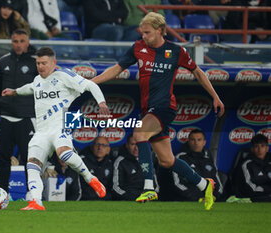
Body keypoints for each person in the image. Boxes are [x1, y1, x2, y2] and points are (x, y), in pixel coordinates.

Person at [92, 12, 225, 210]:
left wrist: (215, 96)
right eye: (142, 32)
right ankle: (204, 184)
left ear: (160, 30)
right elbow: (117, 68)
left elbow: (198, 71)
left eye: (147, 32)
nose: (143, 36)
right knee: (167, 161)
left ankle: (149, 187)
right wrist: (90, 83)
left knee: (140, 133)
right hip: (148, 110)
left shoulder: (176, 51)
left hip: (165, 107)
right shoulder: (138, 47)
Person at [1, 46, 110, 210]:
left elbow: (91, 85)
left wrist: (101, 102)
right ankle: (36, 202)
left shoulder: (64, 75)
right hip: (42, 132)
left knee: (64, 154)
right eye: (38, 63)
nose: (40, 67)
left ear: (54, 63)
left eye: (44, 63)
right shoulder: (38, 80)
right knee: (32, 165)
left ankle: (90, 178)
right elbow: (29, 88)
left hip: (61, 126)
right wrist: (14, 91)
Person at [0, 29, 38, 196]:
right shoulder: (3, 62)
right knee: (3, 157)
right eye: (15, 41)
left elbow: (44, 88)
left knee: (29, 158)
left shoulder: (35, 62)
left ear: (28, 42)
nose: (18, 45)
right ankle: (3, 191)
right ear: (11, 42)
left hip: (27, 117)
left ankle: (31, 192)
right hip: (6, 116)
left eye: (22, 41)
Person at [159, 129, 223, 201]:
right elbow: (177, 183)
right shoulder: (180, 158)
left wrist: (214, 197)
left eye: (199, 140)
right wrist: (198, 198)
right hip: (188, 200)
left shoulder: (209, 159)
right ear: (188, 141)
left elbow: (218, 184)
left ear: (204, 142)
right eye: (193, 140)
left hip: (210, 199)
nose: (196, 143)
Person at [112, 133, 159, 201]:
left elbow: (156, 186)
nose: (136, 148)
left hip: (148, 199)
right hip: (129, 200)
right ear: (127, 145)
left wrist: (150, 196)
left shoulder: (149, 160)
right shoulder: (120, 161)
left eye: (139, 145)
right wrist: (133, 198)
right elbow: (116, 188)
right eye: (133, 144)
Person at [234, 134, 271, 202]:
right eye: (256, 146)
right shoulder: (247, 164)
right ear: (252, 149)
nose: (260, 150)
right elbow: (249, 188)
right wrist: (267, 190)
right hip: (254, 198)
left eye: (262, 146)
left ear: (267, 148)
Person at [79, 136, 113, 200]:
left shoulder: (112, 163)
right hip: (85, 199)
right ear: (92, 147)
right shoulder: (81, 162)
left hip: (105, 201)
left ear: (108, 150)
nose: (100, 148)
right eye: (97, 144)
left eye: (104, 145)